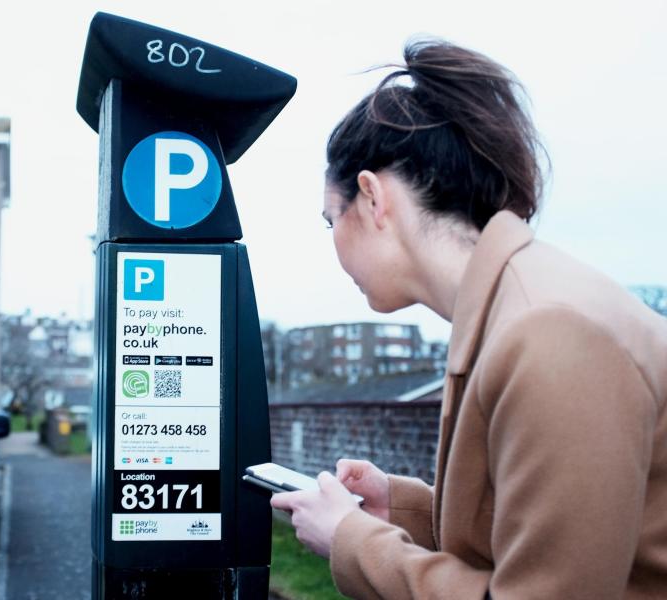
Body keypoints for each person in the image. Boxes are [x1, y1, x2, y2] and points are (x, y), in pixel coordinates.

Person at [270, 39, 667, 599]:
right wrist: (399, 508)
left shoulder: (549, 333)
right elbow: (547, 536)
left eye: (329, 219)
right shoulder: (514, 309)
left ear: (373, 197)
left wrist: (351, 539)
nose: (332, 242)